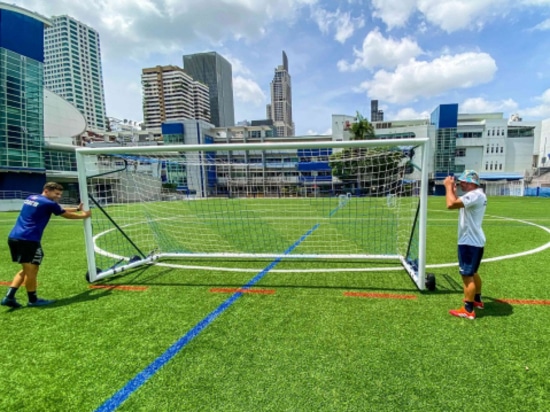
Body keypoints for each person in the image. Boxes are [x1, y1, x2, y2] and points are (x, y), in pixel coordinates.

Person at [1, 182, 91, 309]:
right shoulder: (49, 203)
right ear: (47, 190)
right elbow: (65, 214)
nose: (58, 196)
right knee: (32, 270)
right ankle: (33, 300)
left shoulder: (31, 198)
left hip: (15, 237)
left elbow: (57, 209)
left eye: (60, 194)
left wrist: (77, 208)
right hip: (28, 239)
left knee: (27, 268)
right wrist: (84, 215)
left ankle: (9, 297)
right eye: (56, 193)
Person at [443, 170, 487, 320]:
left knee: (467, 276)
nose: (460, 183)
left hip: (469, 242)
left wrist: (448, 187)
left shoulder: (474, 195)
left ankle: (468, 309)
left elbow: (450, 204)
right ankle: (477, 300)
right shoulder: (478, 195)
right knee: (473, 272)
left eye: (462, 181)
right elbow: (457, 204)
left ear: (470, 183)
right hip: (476, 241)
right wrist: (454, 192)